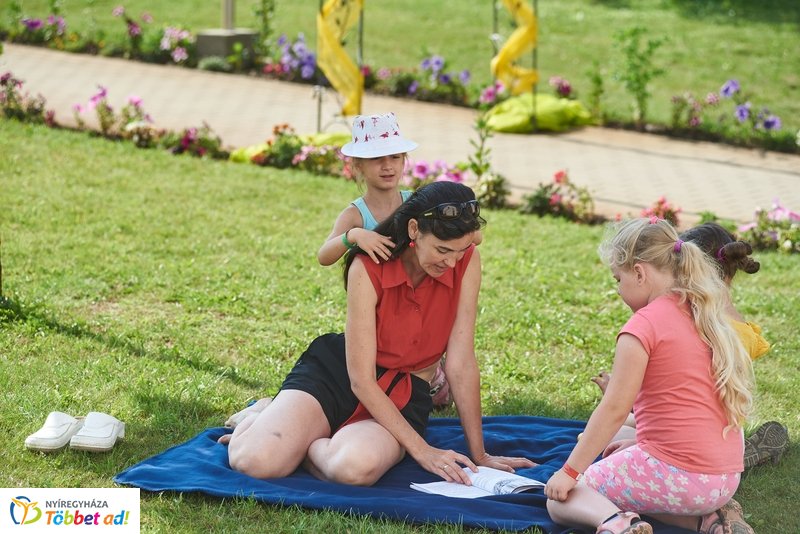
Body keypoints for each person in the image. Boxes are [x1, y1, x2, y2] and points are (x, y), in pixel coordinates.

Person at [220, 181, 534, 486]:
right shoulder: (366, 266)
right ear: (414, 230)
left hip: (405, 391)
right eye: (442, 250)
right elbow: (361, 380)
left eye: (460, 250)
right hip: (339, 376)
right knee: (255, 462)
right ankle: (263, 417)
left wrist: (480, 454)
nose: (452, 262)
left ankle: (304, 440)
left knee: (354, 469)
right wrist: (422, 451)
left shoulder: (467, 261)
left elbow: (461, 363)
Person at [545, 218, 755, 534]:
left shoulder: (642, 327)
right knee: (621, 451)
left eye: (618, 279)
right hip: (723, 480)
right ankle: (708, 521)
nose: (618, 289)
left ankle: (618, 524)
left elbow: (614, 409)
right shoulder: (704, 311)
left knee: (564, 499)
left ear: (640, 273)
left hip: (681, 475)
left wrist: (569, 472)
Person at [591, 222, 788, 469]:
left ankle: (740, 456)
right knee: (613, 429)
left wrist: (624, 411)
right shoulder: (729, 326)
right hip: (710, 433)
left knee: (606, 434)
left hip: (692, 440)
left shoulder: (698, 323)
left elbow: (683, 400)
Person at [315, 112, 453, 408]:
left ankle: (432, 376)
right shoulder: (356, 214)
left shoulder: (415, 203)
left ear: (404, 161)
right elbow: (323, 256)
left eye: (394, 156)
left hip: (415, 298)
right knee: (377, 363)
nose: (387, 165)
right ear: (358, 166)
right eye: (376, 158)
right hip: (377, 307)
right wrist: (353, 236)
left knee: (421, 347)